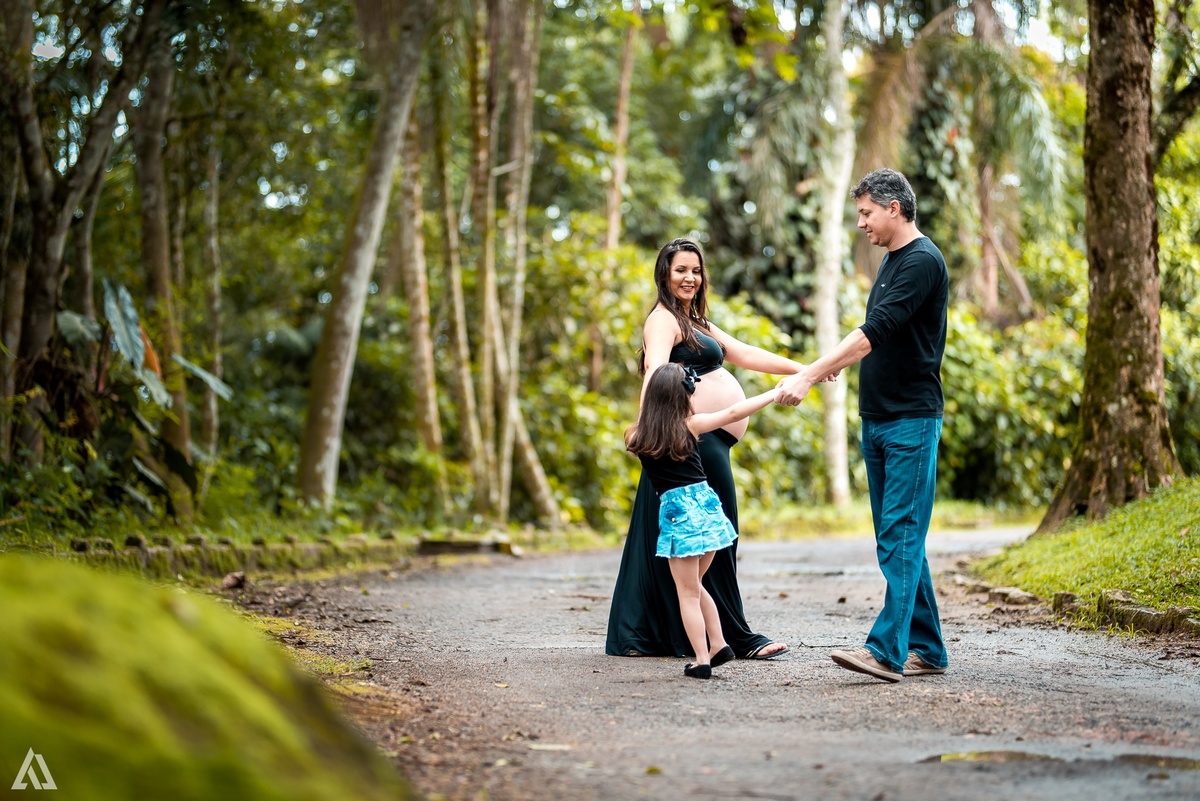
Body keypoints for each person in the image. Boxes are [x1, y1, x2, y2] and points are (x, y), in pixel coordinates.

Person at [776, 168, 949, 683]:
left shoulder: (921, 261)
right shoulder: (895, 261)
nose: (861, 223)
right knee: (898, 537)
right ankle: (930, 649)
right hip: (878, 419)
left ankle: (885, 652)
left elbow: (874, 332)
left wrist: (810, 374)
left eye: (867, 213)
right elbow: (870, 335)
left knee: (899, 536)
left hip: (911, 422)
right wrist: (821, 367)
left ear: (894, 209)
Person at [607, 237, 810, 660]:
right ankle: (734, 637)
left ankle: (709, 637)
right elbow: (655, 371)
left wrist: (804, 369)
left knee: (713, 538)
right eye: (681, 269)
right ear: (665, 273)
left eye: (696, 270)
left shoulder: (693, 320)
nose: (690, 277)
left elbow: (743, 353)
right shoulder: (663, 320)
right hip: (690, 445)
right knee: (711, 538)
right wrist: (653, 432)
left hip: (709, 441)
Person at [624, 362, 782, 678]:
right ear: (684, 396)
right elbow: (734, 413)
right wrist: (773, 394)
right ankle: (719, 643)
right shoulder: (692, 425)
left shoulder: (635, 436)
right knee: (695, 585)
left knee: (687, 593)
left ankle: (701, 659)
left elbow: (645, 441)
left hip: (679, 514)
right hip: (709, 509)